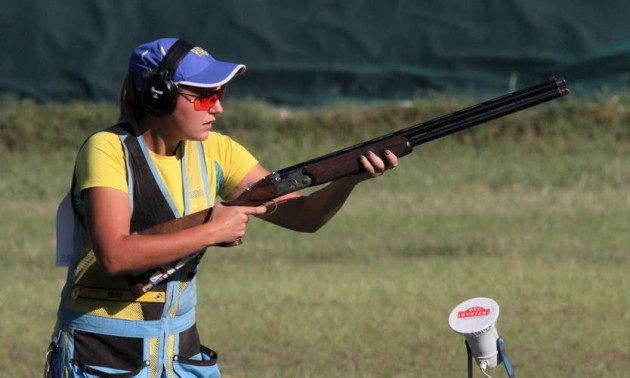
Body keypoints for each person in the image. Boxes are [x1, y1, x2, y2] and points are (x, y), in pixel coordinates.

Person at [46, 37, 398, 377]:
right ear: (159, 94)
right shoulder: (108, 149)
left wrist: (347, 178)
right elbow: (116, 256)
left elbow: (304, 218)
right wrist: (212, 230)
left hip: (180, 351)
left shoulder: (218, 150)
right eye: (204, 96)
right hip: (104, 355)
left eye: (220, 94)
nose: (218, 107)